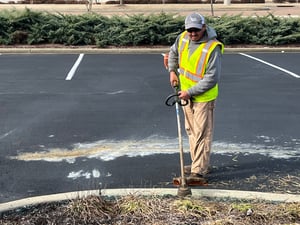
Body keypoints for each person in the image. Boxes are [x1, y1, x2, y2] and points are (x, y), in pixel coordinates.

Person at [167, 12, 224, 181]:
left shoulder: (212, 48)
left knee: (202, 133)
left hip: (203, 97)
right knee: (191, 131)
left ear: (204, 27)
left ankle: (198, 171)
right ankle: (197, 164)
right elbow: (173, 52)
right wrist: (172, 71)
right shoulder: (183, 38)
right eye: (190, 30)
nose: (192, 34)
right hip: (185, 95)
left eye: (196, 31)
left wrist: (189, 92)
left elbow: (212, 77)